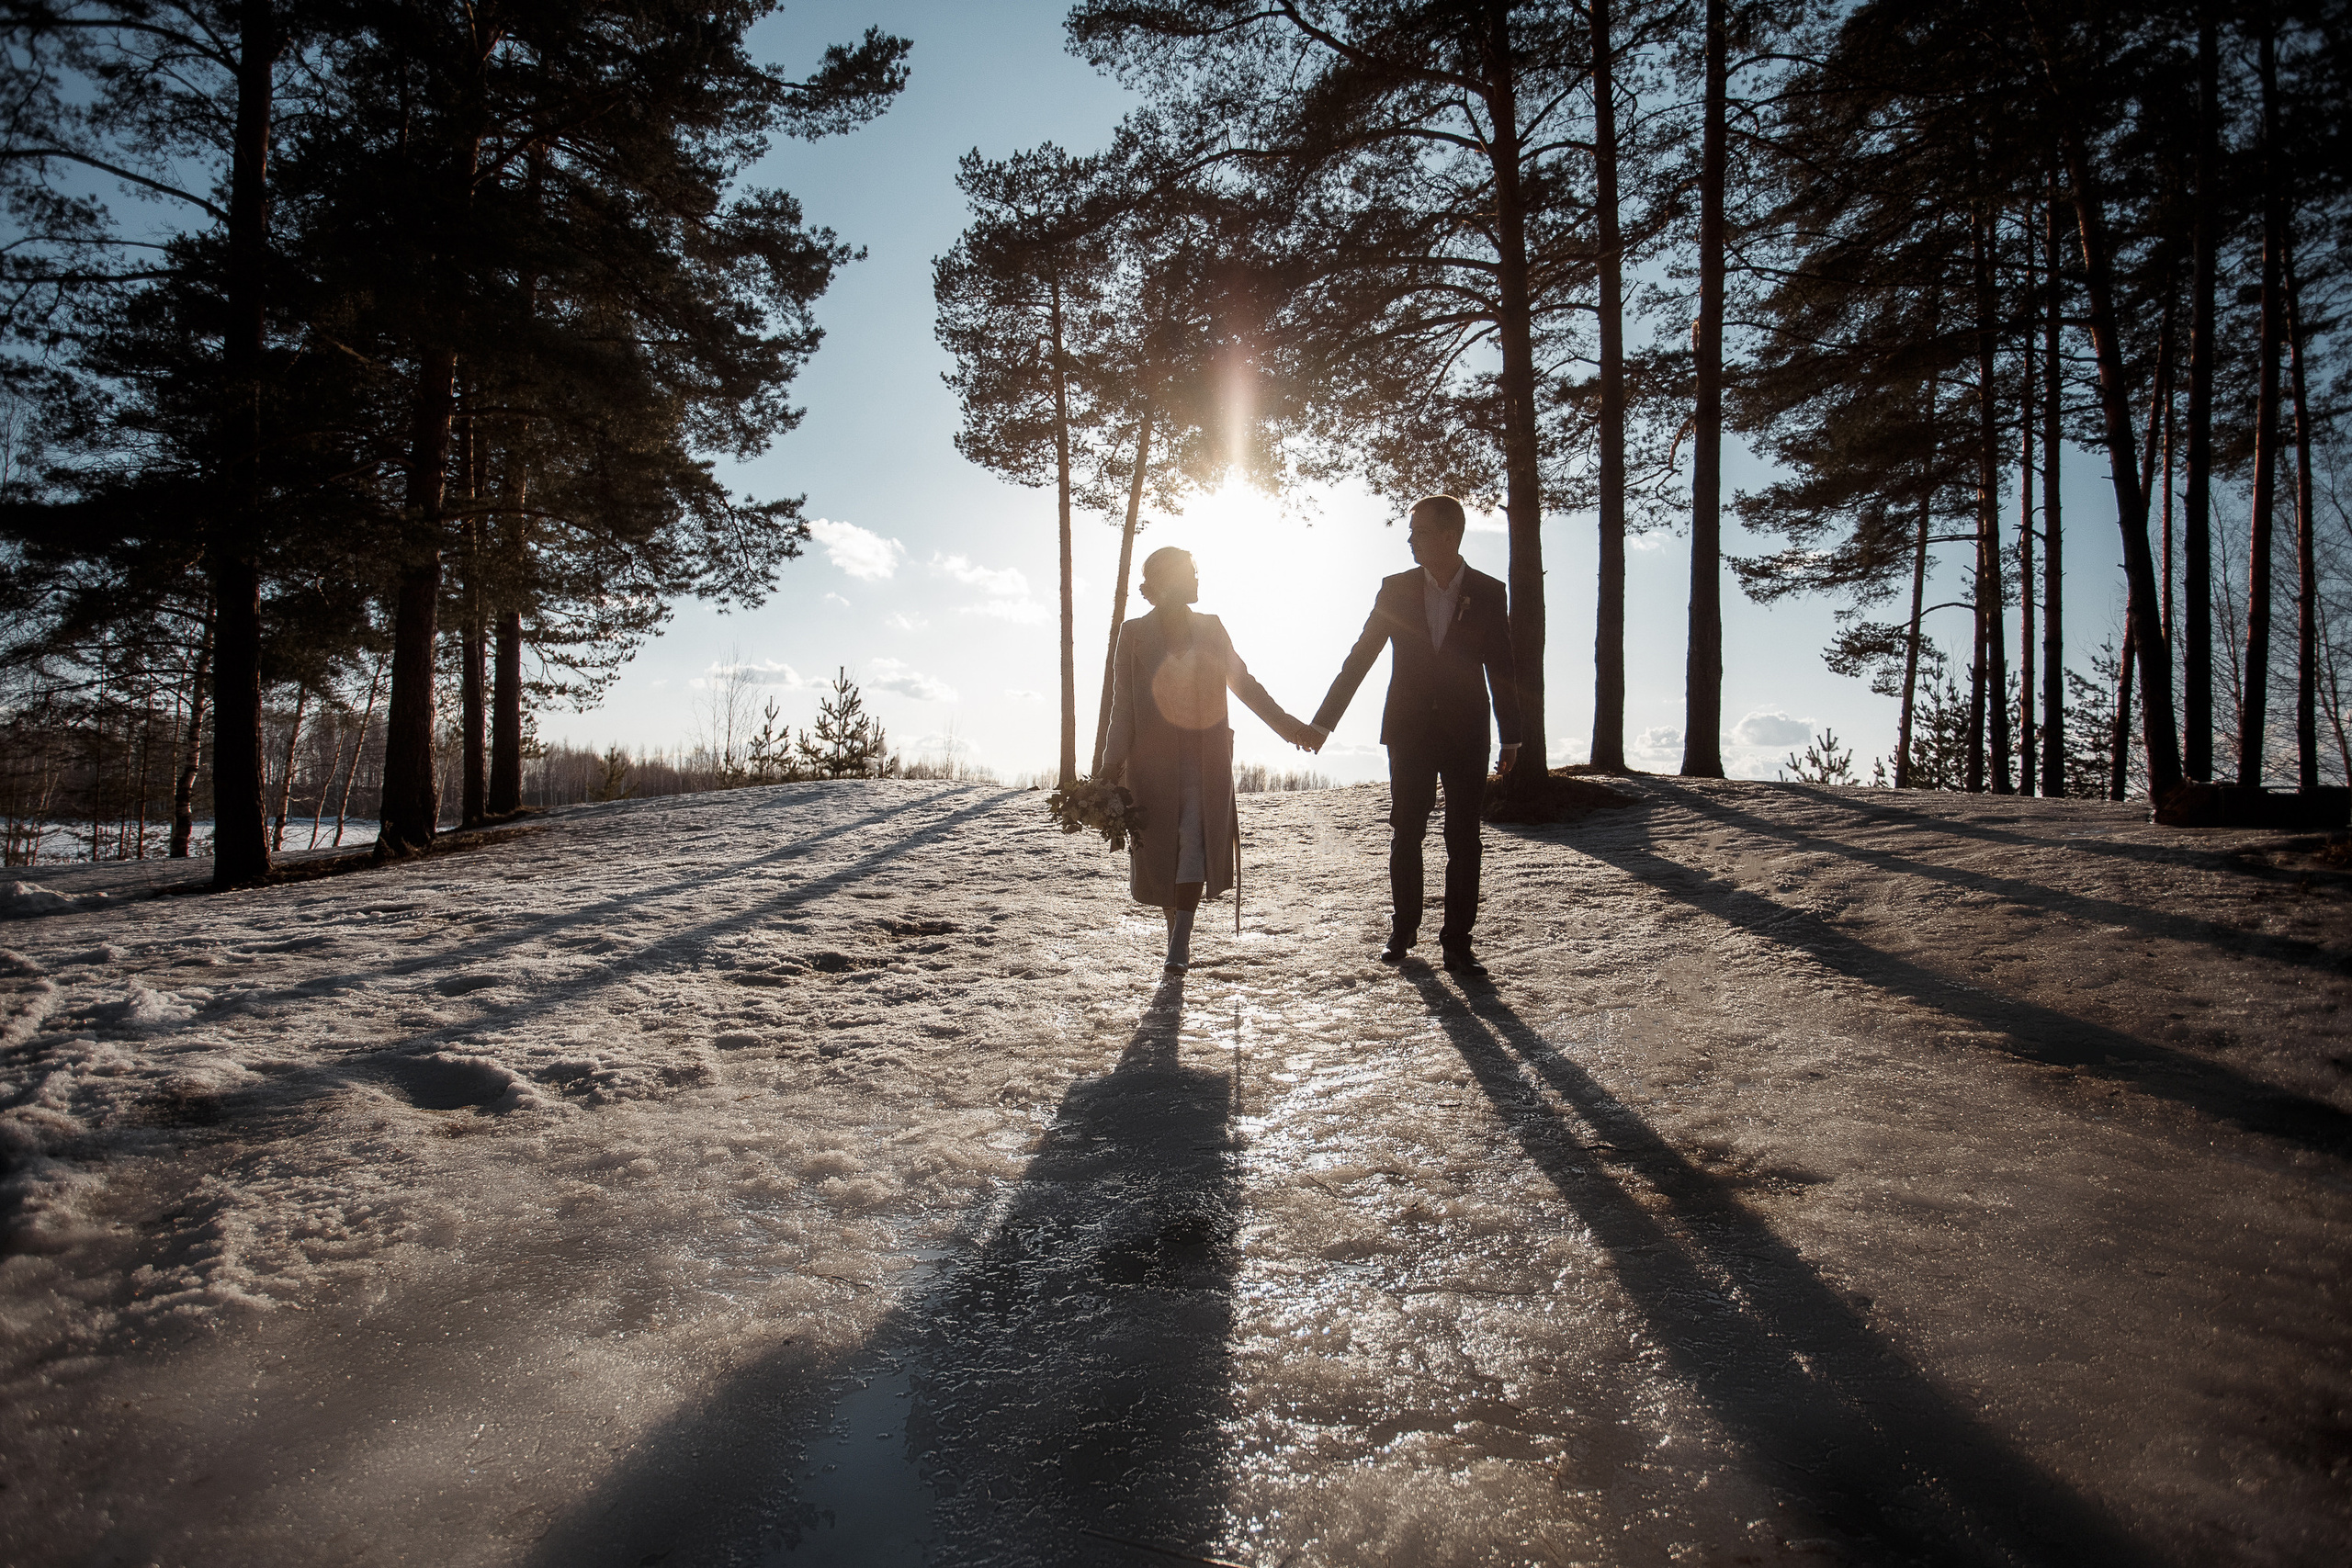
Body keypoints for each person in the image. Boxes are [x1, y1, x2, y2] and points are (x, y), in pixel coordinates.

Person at [1305, 495, 1521, 976]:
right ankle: (1403, 929)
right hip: (1410, 730)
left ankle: (1458, 943)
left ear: (1449, 535)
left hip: (1468, 733)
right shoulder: (1395, 589)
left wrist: (1513, 737)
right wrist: (1322, 723)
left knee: (1465, 837)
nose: (1410, 540)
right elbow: (1361, 657)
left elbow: (1503, 667)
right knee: (1407, 832)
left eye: (1419, 532)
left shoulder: (1488, 592)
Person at [1101, 547, 1322, 974]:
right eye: (1190, 573)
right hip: (1150, 765)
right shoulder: (1133, 635)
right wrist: (1110, 769)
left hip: (1206, 761)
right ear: (1166, 582)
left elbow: (1245, 685)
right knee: (1163, 847)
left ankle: (1180, 939)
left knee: (1195, 842)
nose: (1198, 581)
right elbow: (1122, 708)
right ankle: (1175, 927)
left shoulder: (1211, 628)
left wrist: (1292, 728)